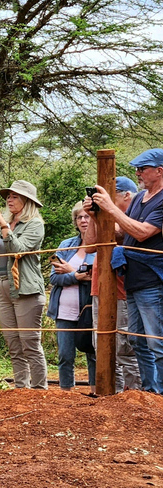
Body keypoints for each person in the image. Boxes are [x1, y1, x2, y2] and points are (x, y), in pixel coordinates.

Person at [85, 149, 163, 393]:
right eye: (137, 168)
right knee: (136, 340)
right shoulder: (140, 199)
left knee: (157, 341)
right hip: (132, 278)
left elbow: (143, 232)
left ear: (160, 171)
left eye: (143, 168)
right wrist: (96, 216)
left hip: (153, 279)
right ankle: (150, 391)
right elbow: (122, 233)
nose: (138, 173)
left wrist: (110, 207)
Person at [0, 180, 48, 389]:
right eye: (8, 196)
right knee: (14, 345)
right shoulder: (7, 224)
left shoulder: (35, 224)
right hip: (4, 287)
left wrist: (4, 226)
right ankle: (21, 388)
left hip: (26, 289)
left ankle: (39, 389)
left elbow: (19, 250)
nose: (9, 199)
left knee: (30, 344)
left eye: (14, 196)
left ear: (27, 201)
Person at [83, 176, 142, 392]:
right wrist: (92, 216)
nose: (104, 198)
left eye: (110, 194)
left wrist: (105, 212)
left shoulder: (133, 216)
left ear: (127, 195)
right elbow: (89, 246)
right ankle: (111, 395)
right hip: (100, 289)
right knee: (103, 346)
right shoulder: (105, 217)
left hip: (122, 292)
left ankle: (136, 397)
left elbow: (118, 235)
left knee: (126, 349)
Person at [47, 202, 96, 393]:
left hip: (89, 308)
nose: (83, 220)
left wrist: (69, 271)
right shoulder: (65, 245)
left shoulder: (100, 245)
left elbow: (98, 279)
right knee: (65, 355)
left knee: (92, 352)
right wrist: (76, 275)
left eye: (87, 216)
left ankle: (95, 391)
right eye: (79, 217)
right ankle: (65, 393)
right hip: (63, 310)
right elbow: (53, 277)